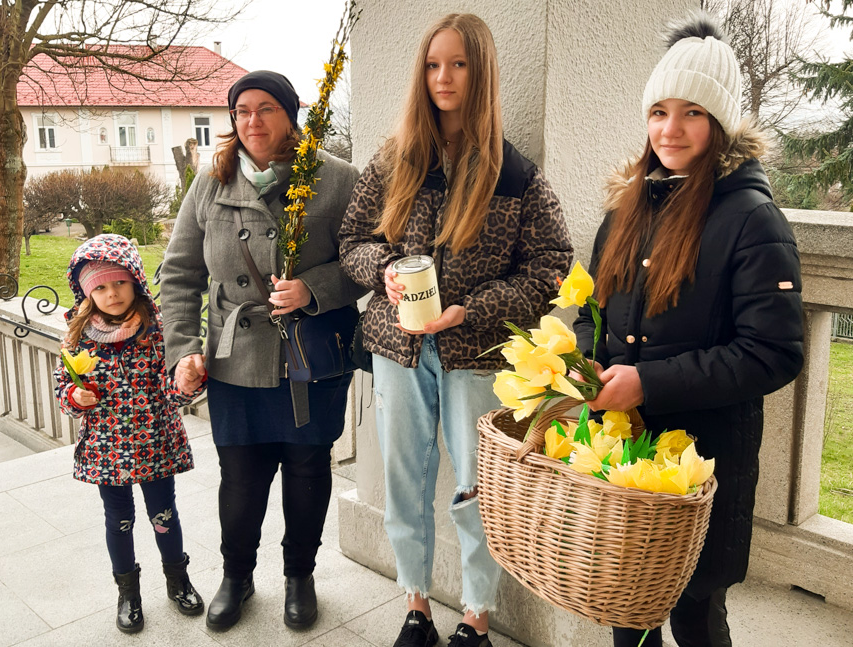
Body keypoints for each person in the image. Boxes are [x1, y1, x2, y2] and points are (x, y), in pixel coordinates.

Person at [340, 14, 573, 647]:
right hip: (398, 350)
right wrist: (385, 270)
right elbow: (351, 242)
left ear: (482, 72)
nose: (443, 77)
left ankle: (476, 616)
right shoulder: (397, 160)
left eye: (459, 64)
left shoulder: (514, 174)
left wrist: (473, 309)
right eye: (433, 64)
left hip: (478, 355)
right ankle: (415, 605)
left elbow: (552, 268)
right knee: (403, 481)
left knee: (477, 491)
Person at [573, 14, 804, 647]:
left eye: (692, 113)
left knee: (697, 617)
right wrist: (581, 363)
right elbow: (591, 309)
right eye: (659, 111)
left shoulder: (753, 219)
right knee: (630, 608)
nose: (670, 129)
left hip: (705, 459)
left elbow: (774, 352)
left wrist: (647, 382)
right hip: (627, 452)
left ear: (720, 123)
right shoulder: (626, 207)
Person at [159, 70, 365, 631]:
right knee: (241, 476)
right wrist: (182, 349)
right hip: (236, 358)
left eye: (266, 108)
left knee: (306, 469)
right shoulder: (211, 183)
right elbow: (178, 275)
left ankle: (300, 575)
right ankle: (237, 576)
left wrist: (315, 289)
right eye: (242, 110)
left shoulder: (336, 178)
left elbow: (370, 259)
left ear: (292, 113)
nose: (253, 121)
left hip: (311, 355)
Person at [54, 234, 205, 634]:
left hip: (154, 441)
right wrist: (75, 395)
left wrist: (187, 381)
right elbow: (62, 390)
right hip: (106, 448)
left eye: (118, 282)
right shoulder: (77, 336)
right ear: (87, 293)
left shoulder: (156, 328)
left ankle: (178, 579)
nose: (112, 293)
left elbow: (171, 385)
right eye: (100, 287)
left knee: (163, 514)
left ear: (134, 280)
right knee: (118, 519)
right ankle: (128, 592)